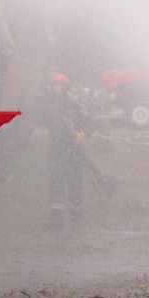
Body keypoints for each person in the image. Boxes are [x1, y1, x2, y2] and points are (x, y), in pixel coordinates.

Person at [44, 73, 92, 225]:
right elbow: (43, 119)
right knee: (56, 182)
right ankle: (56, 216)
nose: (58, 88)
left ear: (66, 87)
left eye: (61, 86)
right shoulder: (49, 104)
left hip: (73, 150)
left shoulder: (73, 104)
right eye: (55, 85)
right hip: (56, 150)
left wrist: (83, 134)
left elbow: (87, 122)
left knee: (74, 182)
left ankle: (76, 214)